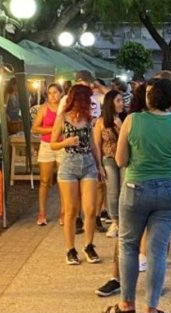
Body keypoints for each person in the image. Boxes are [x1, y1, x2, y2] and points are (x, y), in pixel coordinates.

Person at [101, 78, 171, 313]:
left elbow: (120, 159)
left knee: (128, 245)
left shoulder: (133, 120)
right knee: (157, 251)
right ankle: (152, 308)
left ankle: (126, 304)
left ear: (149, 98)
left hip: (136, 186)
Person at [50, 84, 102, 265]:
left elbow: (94, 144)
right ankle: (70, 249)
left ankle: (89, 245)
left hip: (88, 163)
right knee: (71, 210)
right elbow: (52, 144)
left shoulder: (88, 119)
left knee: (90, 209)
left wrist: (99, 165)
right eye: (87, 99)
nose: (90, 103)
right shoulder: (62, 118)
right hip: (69, 164)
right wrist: (67, 142)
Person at [93, 91, 126, 297]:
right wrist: (99, 166)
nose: (122, 103)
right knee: (112, 190)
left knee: (123, 188)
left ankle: (119, 218)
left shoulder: (125, 120)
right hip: (108, 158)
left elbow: (127, 138)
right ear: (110, 103)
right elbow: (96, 145)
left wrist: (120, 125)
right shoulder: (100, 122)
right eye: (119, 100)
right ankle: (115, 219)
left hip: (122, 159)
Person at [32, 83, 65, 226]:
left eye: (55, 92)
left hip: (63, 146)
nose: (52, 95)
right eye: (50, 93)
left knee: (63, 181)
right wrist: (52, 129)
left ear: (61, 93)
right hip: (47, 146)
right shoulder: (43, 109)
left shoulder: (65, 108)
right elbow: (35, 128)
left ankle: (64, 212)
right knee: (45, 181)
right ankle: (42, 212)